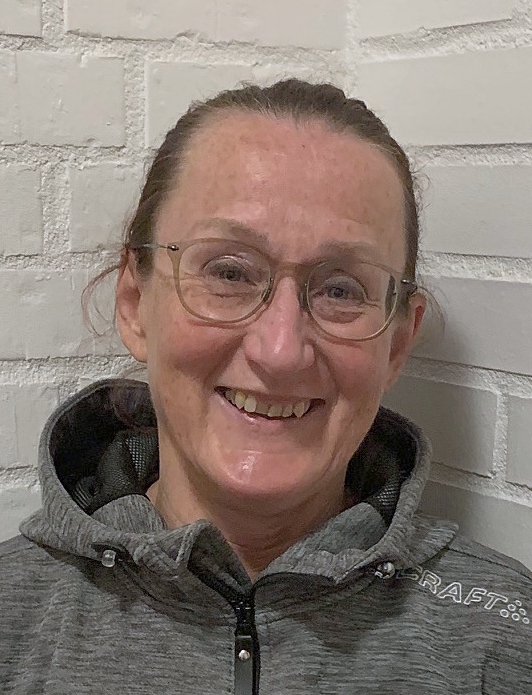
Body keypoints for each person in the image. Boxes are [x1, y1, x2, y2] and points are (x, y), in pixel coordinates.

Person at [1, 79, 530, 695]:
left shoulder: (505, 640)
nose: (279, 352)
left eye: (341, 289)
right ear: (134, 303)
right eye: (228, 272)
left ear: (397, 344)